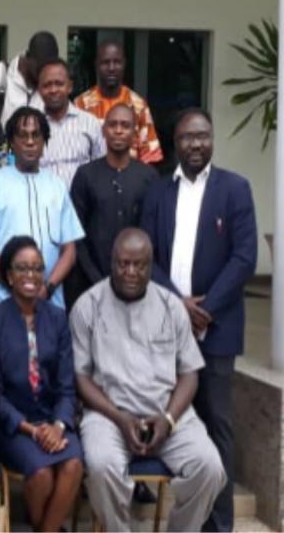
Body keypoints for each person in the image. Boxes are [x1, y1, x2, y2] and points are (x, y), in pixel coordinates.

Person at [141, 108, 257, 532]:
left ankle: (219, 524)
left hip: (218, 330)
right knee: (173, 422)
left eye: (203, 136)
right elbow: (145, 255)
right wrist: (178, 307)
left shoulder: (235, 189)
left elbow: (245, 257)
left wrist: (204, 310)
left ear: (212, 139)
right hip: (167, 331)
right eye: (188, 137)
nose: (196, 144)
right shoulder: (158, 194)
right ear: (175, 142)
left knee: (217, 427)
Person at [71, 228, 225, 532]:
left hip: (168, 413)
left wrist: (168, 419)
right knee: (101, 467)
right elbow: (81, 377)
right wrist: (120, 417)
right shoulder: (87, 306)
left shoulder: (171, 307)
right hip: (108, 415)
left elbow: (189, 373)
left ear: (150, 265)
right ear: (112, 262)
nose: (130, 272)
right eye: (122, 263)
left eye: (139, 265)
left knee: (209, 467)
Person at [0, 236, 83, 533]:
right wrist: (30, 429)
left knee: (73, 466)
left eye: (38, 268)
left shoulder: (56, 318)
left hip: (54, 422)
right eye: (23, 268)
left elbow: (67, 385)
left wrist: (58, 425)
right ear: (9, 275)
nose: (31, 276)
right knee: (41, 474)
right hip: (14, 427)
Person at [0, 107, 85, 310]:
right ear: (12, 142)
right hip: (2, 301)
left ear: (45, 142)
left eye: (36, 135)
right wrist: (16, 286)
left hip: (49, 303)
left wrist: (47, 288)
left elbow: (69, 251)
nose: (30, 141)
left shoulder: (57, 186)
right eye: (22, 135)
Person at [68, 104, 156, 307]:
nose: (118, 130)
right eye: (113, 125)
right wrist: (97, 280)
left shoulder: (148, 177)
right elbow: (76, 234)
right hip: (90, 285)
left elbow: (150, 234)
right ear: (103, 131)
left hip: (136, 286)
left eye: (125, 126)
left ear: (135, 133)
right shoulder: (85, 175)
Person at [74, 40, 164, 165]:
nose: (111, 68)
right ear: (96, 65)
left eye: (117, 62)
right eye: (105, 62)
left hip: (131, 180)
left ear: (124, 64)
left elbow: (150, 156)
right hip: (91, 180)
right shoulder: (81, 104)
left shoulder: (138, 105)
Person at [36, 58, 104, 188]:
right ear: (39, 89)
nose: (53, 90)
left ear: (70, 87)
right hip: (42, 204)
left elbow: (101, 169)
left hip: (81, 205)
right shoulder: (32, 126)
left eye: (59, 84)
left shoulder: (90, 123)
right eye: (47, 85)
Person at [0, 31, 58, 127]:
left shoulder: (50, 87)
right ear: (28, 56)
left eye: (48, 68)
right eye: (40, 67)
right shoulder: (1, 73)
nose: (44, 73)